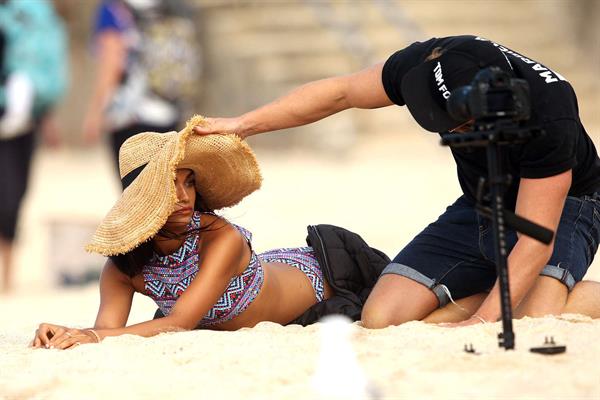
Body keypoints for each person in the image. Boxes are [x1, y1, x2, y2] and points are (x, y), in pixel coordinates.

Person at [192, 35, 600, 328]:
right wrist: (243, 125)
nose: (456, 134)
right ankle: (517, 287)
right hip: (481, 202)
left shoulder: (549, 114)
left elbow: (534, 237)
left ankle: (544, 292)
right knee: (380, 317)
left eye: (464, 126)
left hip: (566, 207)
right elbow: (340, 93)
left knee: (535, 317)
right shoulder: (429, 60)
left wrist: (481, 320)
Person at [30, 116, 391, 349]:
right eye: (170, 185)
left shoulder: (222, 237)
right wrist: (64, 334)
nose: (185, 197)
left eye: (189, 182)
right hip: (262, 274)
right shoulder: (122, 269)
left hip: (322, 276)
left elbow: (180, 323)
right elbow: (106, 333)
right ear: (142, 196)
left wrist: (91, 336)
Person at [83, 0, 199, 171]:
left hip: (129, 117)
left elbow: (112, 62)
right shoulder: (169, 6)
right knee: (163, 185)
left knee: (136, 192)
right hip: (169, 111)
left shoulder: (113, 8)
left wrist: (95, 113)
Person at [0, 0, 67, 293]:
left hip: (22, 118)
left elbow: (40, 63)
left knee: (12, 196)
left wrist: (46, 115)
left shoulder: (36, 13)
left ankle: (7, 275)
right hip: (19, 113)